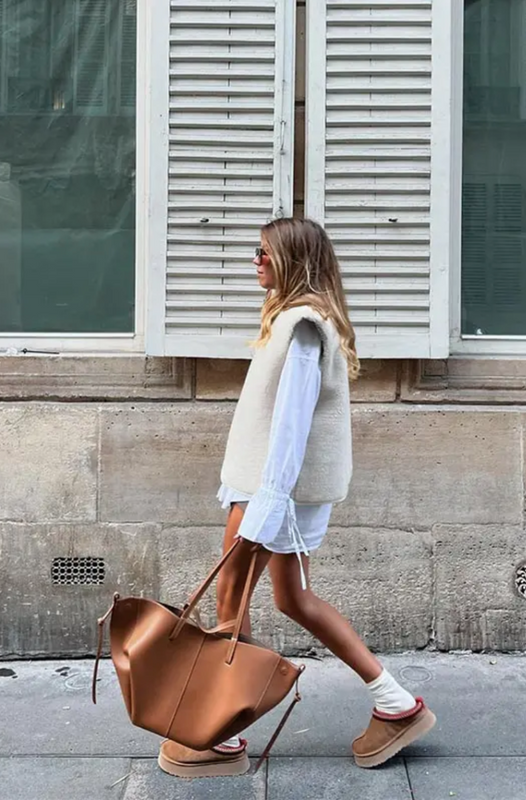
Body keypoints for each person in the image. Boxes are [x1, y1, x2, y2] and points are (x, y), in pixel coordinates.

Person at [158, 218, 436, 778]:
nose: (254, 261)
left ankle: (221, 736)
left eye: (263, 253)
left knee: (228, 607)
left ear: (292, 260)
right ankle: (396, 703)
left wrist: (263, 505)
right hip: (272, 490)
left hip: (270, 491)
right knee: (292, 601)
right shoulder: (296, 321)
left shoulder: (303, 326)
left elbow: (291, 428)